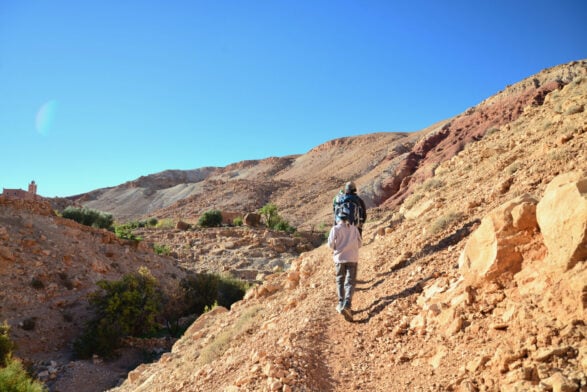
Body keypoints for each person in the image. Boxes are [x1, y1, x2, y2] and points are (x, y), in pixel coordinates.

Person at [328, 208, 362, 322]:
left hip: (339, 259)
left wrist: (336, 249)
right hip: (352, 258)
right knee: (350, 281)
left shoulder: (335, 229)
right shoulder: (354, 229)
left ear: (338, 219)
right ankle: (347, 303)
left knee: (340, 280)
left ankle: (341, 302)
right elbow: (360, 243)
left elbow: (330, 244)